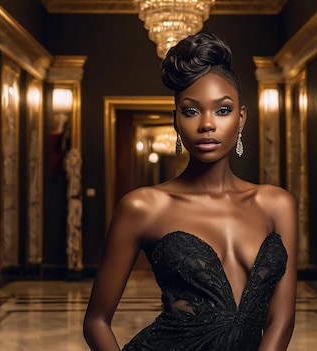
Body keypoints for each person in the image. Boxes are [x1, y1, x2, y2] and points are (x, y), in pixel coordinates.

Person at [83, 31, 297, 351]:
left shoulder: (277, 205)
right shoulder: (143, 207)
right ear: (176, 121)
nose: (207, 124)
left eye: (222, 110)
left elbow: (282, 320)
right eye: (191, 110)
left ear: (241, 118)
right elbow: (96, 321)